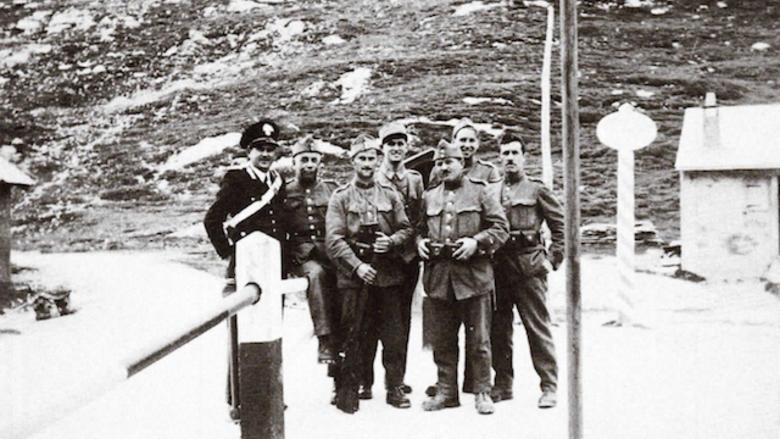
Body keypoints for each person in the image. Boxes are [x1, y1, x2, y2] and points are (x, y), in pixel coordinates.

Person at [203, 119, 287, 419]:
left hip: (272, 268)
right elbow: (212, 220)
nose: (265, 154)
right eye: (259, 149)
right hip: (245, 269)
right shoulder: (236, 179)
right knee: (241, 334)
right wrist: (230, 255)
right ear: (248, 152)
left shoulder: (277, 181)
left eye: (270, 149)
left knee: (270, 331)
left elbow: (280, 226)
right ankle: (238, 401)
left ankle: (267, 392)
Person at [417, 140, 508, 415]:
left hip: (474, 276)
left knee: (479, 339)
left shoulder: (481, 192)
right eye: (440, 163)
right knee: (442, 339)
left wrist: (476, 242)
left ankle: (482, 391)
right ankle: (446, 391)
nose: (444, 167)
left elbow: (501, 228)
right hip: (439, 277)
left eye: (449, 162)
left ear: (461, 164)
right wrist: (419, 242)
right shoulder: (429, 197)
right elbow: (418, 229)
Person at [325, 134, 414, 413]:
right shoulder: (340, 197)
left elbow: (407, 228)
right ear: (353, 162)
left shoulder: (391, 195)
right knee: (354, 332)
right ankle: (355, 384)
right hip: (354, 275)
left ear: (378, 161)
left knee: (393, 333)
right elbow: (334, 240)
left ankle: (395, 387)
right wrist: (357, 266)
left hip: (386, 273)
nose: (367, 163)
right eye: (361, 158)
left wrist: (392, 241)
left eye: (371, 158)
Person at [490, 133, 564, 409]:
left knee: (537, 327)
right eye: (505, 153)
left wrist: (551, 260)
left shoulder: (536, 190)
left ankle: (549, 386)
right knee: (498, 330)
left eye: (514, 153)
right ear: (499, 157)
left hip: (529, 267)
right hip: (498, 269)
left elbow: (561, 227)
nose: (509, 158)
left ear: (524, 157)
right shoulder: (491, 190)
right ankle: (503, 384)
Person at [358, 122, 423, 400]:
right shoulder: (374, 176)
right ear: (382, 149)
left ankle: (396, 378)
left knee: (401, 321)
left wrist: (414, 246)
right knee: (370, 319)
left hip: (406, 260)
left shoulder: (415, 179)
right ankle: (365, 380)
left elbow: (418, 218)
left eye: (401, 143)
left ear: (407, 147)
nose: (396, 149)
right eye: (390, 144)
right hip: (379, 259)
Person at [283, 136, 340, 366]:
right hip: (302, 255)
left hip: (330, 251)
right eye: (303, 159)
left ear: (320, 164)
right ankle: (324, 339)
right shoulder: (283, 192)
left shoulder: (331, 190)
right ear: (293, 163)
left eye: (313, 160)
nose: (308, 164)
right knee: (316, 276)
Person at [428, 118, 502, 188]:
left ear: (478, 143)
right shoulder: (441, 169)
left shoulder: (489, 170)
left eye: (471, 140)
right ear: (454, 141)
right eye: (463, 140)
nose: (467, 145)